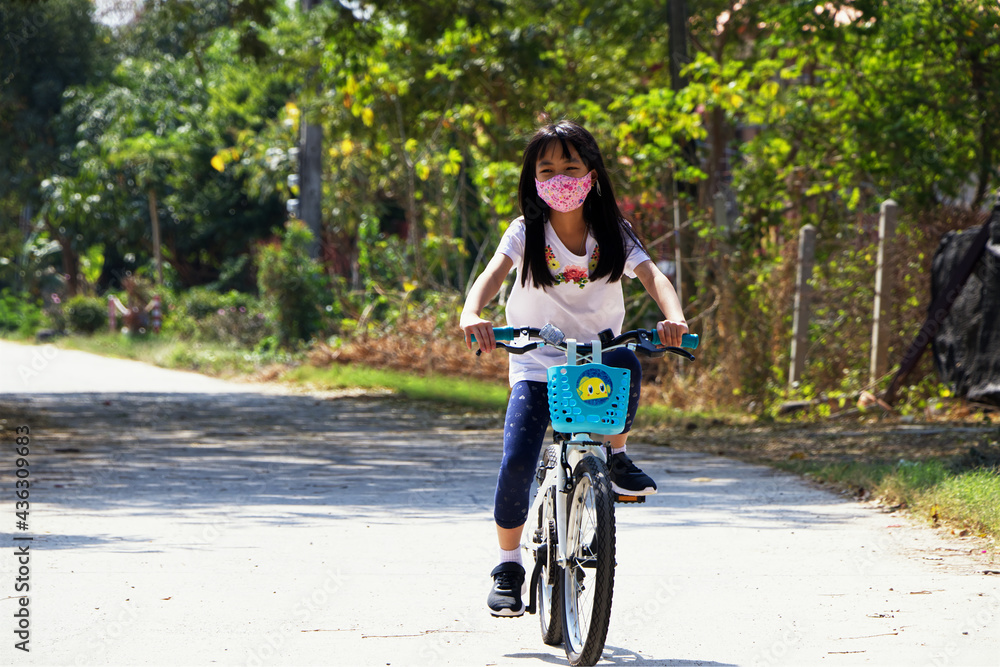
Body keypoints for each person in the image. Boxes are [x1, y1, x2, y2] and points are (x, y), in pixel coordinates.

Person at [460, 120, 689, 618]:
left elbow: (655, 278)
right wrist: (472, 312)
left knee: (627, 360)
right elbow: (490, 277)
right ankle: (508, 566)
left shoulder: (614, 233)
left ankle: (617, 456)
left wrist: (673, 317)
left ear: (591, 174)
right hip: (537, 365)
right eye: (547, 169)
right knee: (518, 461)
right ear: (533, 179)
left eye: (571, 166)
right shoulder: (526, 233)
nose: (560, 177)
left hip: (598, 359)